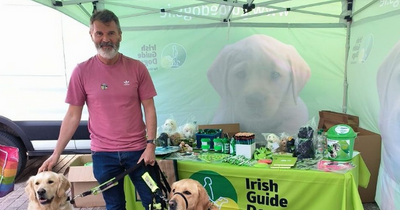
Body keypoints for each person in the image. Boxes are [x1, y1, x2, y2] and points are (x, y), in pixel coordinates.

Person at [38, 9, 157, 210]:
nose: (105, 39)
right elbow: (73, 115)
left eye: (111, 33)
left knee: (154, 199)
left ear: (119, 35)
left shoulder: (137, 68)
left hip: (138, 153)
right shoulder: (81, 71)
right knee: (114, 205)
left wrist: (151, 145)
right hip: (103, 156)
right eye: (99, 33)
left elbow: (150, 108)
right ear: (92, 35)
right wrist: (56, 153)